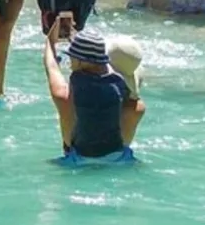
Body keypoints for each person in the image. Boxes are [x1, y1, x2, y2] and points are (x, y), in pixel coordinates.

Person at [42, 20, 145, 163]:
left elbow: (51, 66)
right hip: (120, 162)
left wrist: (50, 41)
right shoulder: (136, 108)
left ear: (78, 62)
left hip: (77, 163)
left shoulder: (63, 96)